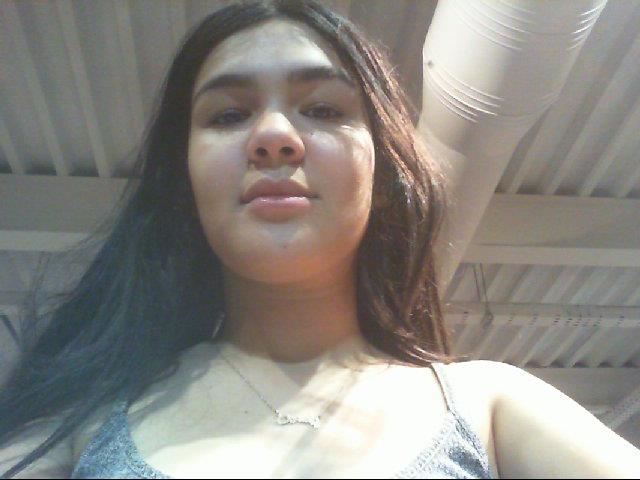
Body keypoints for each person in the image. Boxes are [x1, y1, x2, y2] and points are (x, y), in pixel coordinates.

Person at [1, 0, 640, 478]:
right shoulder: (79, 423)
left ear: (382, 177)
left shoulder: (489, 406)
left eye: (325, 110)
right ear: (185, 181)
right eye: (229, 115)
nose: (274, 136)